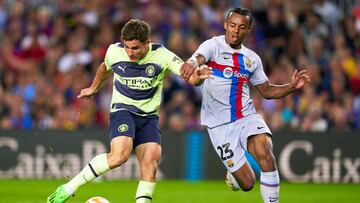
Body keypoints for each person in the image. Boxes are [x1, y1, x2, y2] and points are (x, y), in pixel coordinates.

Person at [47, 19, 212, 203]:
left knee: (151, 160)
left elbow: (190, 77)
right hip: (123, 110)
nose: (130, 53)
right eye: (127, 47)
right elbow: (105, 67)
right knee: (120, 155)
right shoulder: (114, 51)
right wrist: (93, 88)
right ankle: (68, 188)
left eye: (135, 48)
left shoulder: (162, 55)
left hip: (149, 117)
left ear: (147, 44)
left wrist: (198, 78)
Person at [181, 7, 310, 203]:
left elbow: (266, 91)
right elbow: (199, 57)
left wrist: (292, 86)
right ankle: (234, 175)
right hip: (219, 125)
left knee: (265, 152)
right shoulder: (213, 46)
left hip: (246, 116)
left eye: (241, 27)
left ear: (248, 30)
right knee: (247, 183)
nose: (235, 31)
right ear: (226, 25)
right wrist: (191, 63)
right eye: (232, 25)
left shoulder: (252, 59)